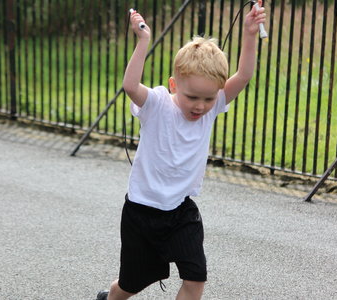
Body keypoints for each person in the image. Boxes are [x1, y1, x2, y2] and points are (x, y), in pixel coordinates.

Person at [96, 2, 266, 300]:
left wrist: (249, 35)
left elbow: (243, 75)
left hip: (180, 211)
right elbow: (130, 85)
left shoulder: (213, 108)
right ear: (174, 85)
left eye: (208, 98)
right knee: (131, 283)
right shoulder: (158, 104)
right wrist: (143, 41)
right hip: (141, 212)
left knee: (195, 277)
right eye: (192, 97)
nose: (200, 105)